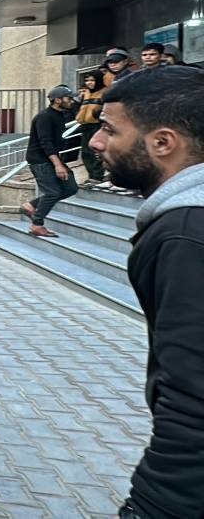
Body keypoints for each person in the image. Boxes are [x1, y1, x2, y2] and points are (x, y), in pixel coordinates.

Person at [87, 67, 204, 519]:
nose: (96, 143)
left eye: (110, 130)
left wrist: (155, 504)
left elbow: (193, 394)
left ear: (162, 142)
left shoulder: (186, 235)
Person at [20, 85, 79, 237]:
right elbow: (46, 142)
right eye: (68, 98)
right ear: (57, 100)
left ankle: (31, 205)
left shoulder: (60, 114)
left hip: (51, 158)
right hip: (40, 159)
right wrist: (58, 165)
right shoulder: (44, 117)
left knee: (70, 187)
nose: (71, 101)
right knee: (52, 192)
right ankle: (37, 225)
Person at [76, 71, 107, 186]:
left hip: (98, 125)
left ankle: (98, 176)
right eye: (87, 80)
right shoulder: (86, 93)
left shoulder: (105, 92)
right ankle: (91, 176)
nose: (89, 83)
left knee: (96, 152)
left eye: (92, 80)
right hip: (86, 125)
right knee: (85, 152)